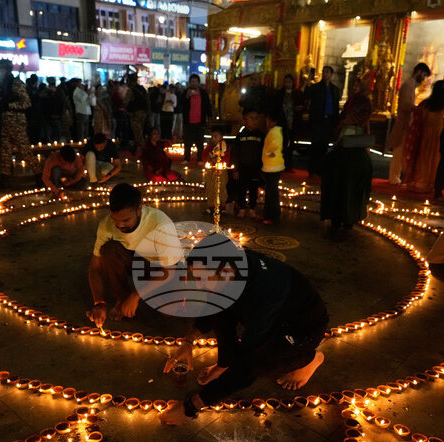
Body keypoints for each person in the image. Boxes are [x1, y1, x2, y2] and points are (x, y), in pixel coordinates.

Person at [159, 246, 328, 426]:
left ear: (225, 271)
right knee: (221, 310)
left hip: (302, 329)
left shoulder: (263, 295)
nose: (199, 285)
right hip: (277, 312)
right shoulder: (233, 264)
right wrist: (189, 340)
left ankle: (309, 359)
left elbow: (250, 364)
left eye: (202, 278)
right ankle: (224, 365)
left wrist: (190, 407)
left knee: (261, 360)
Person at [86, 183, 181, 326]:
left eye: (125, 220)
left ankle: (141, 293)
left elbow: (170, 270)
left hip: (161, 266)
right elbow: (94, 268)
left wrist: (136, 295)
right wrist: (99, 302)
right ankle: (121, 298)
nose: (120, 225)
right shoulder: (106, 225)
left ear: (139, 209)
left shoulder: (160, 224)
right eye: (115, 219)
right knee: (109, 250)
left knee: (171, 310)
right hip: (134, 260)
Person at [322, 77, 373, 239]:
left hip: (355, 146)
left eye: (358, 85)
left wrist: (348, 122)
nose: (355, 88)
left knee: (352, 186)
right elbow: (341, 121)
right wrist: (341, 126)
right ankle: (337, 216)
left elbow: (361, 120)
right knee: (338, 183)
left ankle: (349, 217)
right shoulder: (349, 102)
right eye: (354, 85)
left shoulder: (365, 102)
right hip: (342, 147)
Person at [0, 59, 35, 189]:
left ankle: (40, 175)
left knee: (24, 150)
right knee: (5, 151)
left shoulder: (16, 83)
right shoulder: (2, 83)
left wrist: (9, 105)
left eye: (1, 69)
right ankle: (5, 179)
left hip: (16, 120)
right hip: (5, 120)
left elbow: (26, 103)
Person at [387, 63, 431, 185]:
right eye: (424, 75)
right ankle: (394, 178)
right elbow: (405, 105)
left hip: (405, 123)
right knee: (399, 151)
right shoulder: (408, 85)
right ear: (419, 72)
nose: (423, 78)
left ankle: (395, 177)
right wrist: (418, 109)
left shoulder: (410, 85)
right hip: (403, 124)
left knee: (401, 151)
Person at [402, 80, 444, 194]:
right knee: (434, 158)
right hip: (438, 133)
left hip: (426, 133)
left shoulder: (427, 103)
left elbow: (419, 115)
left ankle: (421, 181)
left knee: (424, 157)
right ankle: (430, 182)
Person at [305, 65, 341, 178]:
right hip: (318, 120)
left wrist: (336, 121)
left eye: (327, 72)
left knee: (324, 146)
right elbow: (307, 95)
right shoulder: (316, 87)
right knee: (315, 145)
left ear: (331, 74)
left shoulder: (334, 89)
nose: (325, 74)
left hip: (328, 121)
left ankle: (320, 169)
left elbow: (335, 105)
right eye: (324, 72)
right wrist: (308, 82)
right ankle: (312, 170)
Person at [229, 110, 264, 218]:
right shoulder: (240, 136)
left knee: (254, 189)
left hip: (255, 167)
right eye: (251, 118)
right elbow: (235, 153)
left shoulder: (260, 135)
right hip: (243, 166)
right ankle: (242, 208)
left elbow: (263, 152)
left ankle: (252, 209)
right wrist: (235, 169)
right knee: (242, 188)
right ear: (244, 120)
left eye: (256, 118)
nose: (254, 121)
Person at [273, 73, 305, 172]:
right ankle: (279, 164)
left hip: (292, 122)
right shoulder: (279, 94)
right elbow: (275, 107)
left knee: (291, 145)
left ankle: (288, 165)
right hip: (282, 122)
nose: (287, 84)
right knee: (281, 144)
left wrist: (298, 108)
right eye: (285, 82)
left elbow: (302, 105)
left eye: (289, 82)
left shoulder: (297, 93)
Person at [261, 112, 285, 224]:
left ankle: (272, 216)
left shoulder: (275, 132)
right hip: (272, 166)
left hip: (273, 166)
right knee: (270, 191)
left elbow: (274, 144)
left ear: (273, 121)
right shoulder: (277, 131)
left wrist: (270, 152)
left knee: (271, 192)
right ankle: (267, 214)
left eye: (267, 120)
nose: (266, 122)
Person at [181, 74, 211, 164]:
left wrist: (209, 116)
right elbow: (181, 104)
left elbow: (207, 105)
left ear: (198, 83)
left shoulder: (203, 93)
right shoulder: (186, 92)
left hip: (200, 121)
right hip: (188, 121)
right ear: (189, 83)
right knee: (187, 141)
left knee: (200, 142)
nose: (194, 83)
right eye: (192, 81)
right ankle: (186, 158)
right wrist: (187, 97)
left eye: (195, 81)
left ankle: (200, 159)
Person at [202, 129, 230, 214]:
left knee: (221, 188)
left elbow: (226, 159)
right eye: (212, 137)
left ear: (221, 137)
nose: (213, 139)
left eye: (216, 136)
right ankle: (211, 206)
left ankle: (222, 206)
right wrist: (209, 159)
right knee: (210, 188)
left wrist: (219, 161)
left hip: (221, 172)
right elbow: (204, 158)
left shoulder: (224, 147)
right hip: (211, 172)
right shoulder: (209, 147)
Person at [128, 74, 149, 151]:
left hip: (135, 113)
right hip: (143, 112)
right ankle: (138, 147)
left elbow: (129, 101)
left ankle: (141, 148)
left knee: (137, 131)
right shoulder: (142, 89)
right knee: (141, 130)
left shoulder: (131, 90)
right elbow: (147, 100)